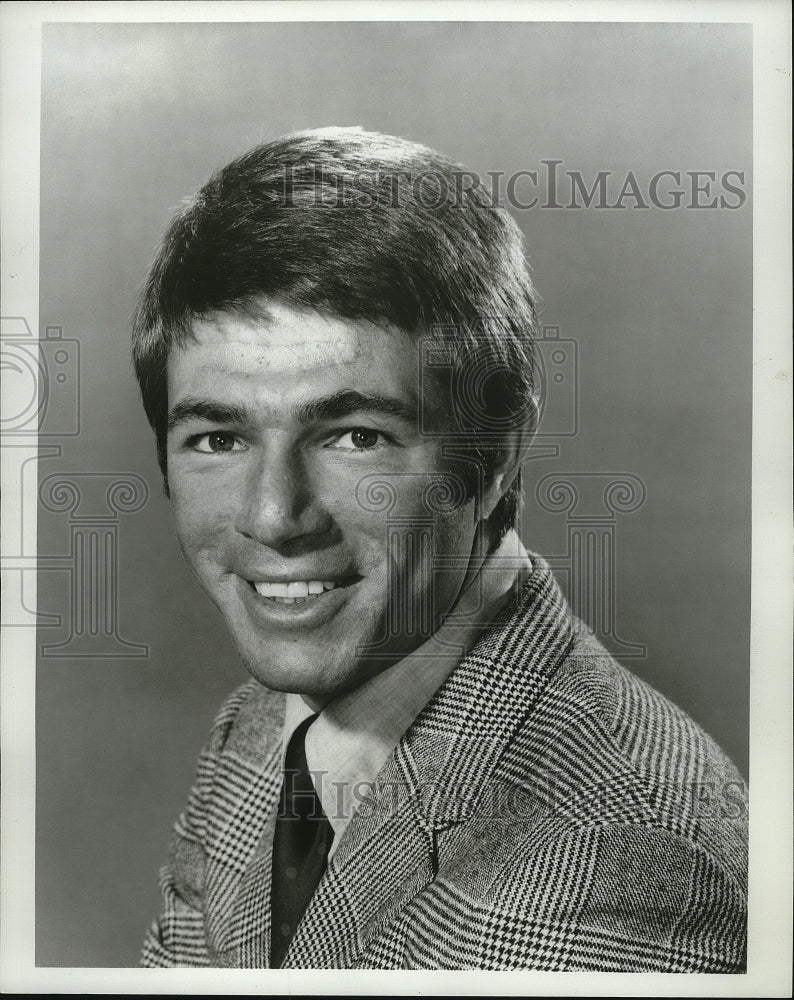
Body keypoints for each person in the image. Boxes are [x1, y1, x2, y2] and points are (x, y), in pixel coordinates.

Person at [132, 127, 747, 971]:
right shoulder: (259, 727)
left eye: (354, 436)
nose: (275, 518)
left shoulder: (621, 868)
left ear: (491, 458)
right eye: (217, 440)